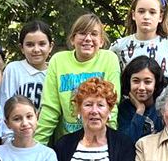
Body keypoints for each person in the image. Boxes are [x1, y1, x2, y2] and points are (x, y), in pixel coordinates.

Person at [36, 13, 121, 143]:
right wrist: (37, 146)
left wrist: (109, 142)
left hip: (100, 139)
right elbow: (50, 108)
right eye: (82, 33)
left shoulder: (109, 59)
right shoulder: (58, 61)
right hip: (66, 141)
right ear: (72, 39)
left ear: (102, 41)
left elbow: (112, 106)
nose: (88, 38)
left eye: (94, 34)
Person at [110, 0, 168, 74]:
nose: (146, 17)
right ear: (133, 15)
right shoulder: (119, 46)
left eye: (152, 12)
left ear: (160, 17)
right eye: (141, 11)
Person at [0, 20, 53, 115]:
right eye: (30, 45)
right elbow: (3, 105)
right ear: (22, 48)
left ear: (50, 46)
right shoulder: (14, 69)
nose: (36, 49)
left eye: (42, 44)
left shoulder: (55, 72)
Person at [117, 56, 166, 142]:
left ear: (156, 83)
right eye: (136, 81)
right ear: (129, 82)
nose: (141, 87)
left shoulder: (162, 108)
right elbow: (126, 142)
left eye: (147, 82)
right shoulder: (124, 108)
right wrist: (140, 111)